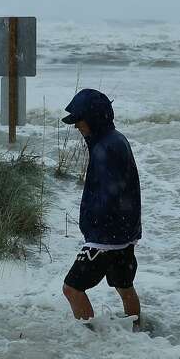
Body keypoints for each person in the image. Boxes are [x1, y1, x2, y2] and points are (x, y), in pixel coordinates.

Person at [60, 88, 142, 330]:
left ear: (93, 117)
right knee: (125, 287)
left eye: (79, 120)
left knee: (72, 289)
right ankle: (138, 332)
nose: (77, 126)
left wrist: (94, 231)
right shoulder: (116, 139)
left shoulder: (105, 147)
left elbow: (110, 195)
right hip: (125, 236)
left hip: (106, 238)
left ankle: (90, 340)